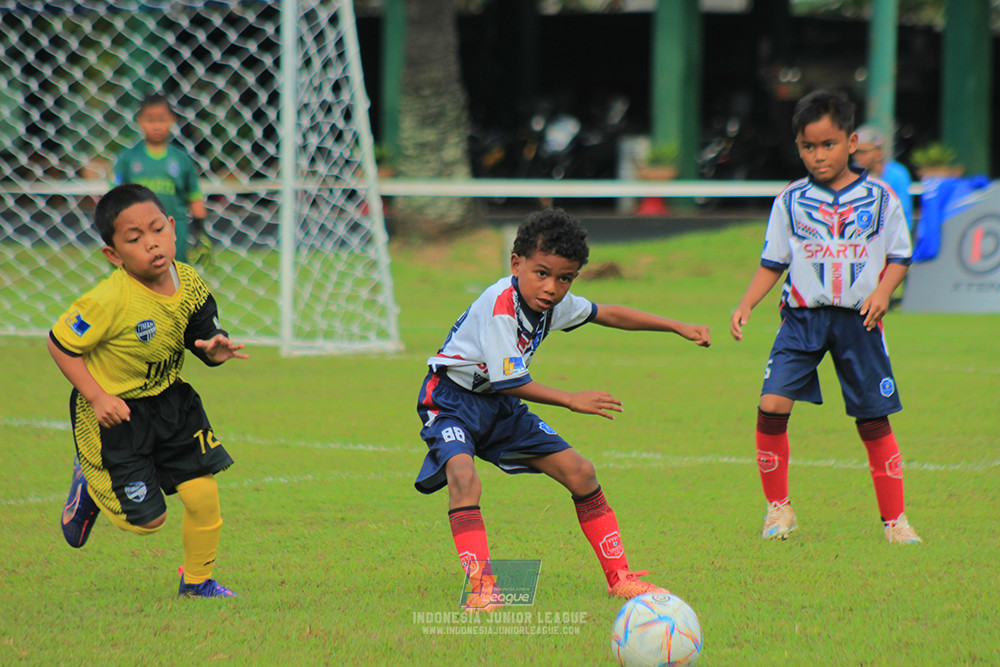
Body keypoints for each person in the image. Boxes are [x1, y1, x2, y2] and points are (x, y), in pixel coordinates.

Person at [414, 208, 712, 611]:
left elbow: (606, 313)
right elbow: (509, 380)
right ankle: (483, 587)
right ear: (516, 264)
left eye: (565, 278)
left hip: (500, 406)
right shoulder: (501, 305)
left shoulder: (552, 303)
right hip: (450, 401)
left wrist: (676, 325)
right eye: (542, 273)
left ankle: (619, 578)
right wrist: (572, 399)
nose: (552, 287)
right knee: (464, 477)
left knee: (581, 471)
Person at [729, 90, 921, 545]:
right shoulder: (790, 200)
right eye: (808, 147)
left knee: (873, 419)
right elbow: (773, 262)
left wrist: (882, 292)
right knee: (771, 405)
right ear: (798, 147)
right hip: (801, 320)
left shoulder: (879, 197)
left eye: (828, 144)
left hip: (860, 322)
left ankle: (895, 521)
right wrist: (746, 303)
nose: (818, 156)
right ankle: (778, 510)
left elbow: (900, 255)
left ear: (851, 141)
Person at [51, 184, 248, 597]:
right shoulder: (108, 300)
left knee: (203, 495)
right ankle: (89, 479)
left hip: (172, 403)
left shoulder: (189, 281)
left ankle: (197, 583)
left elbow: (203, 334)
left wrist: (215, 347)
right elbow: (60, 343)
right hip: (117, 415)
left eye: (157, 229)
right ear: (114, 254)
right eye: (134, 238)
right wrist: (98, 397)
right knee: (146, 522)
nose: (151, 243)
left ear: (173, 228)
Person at [113, 94, 209, 265]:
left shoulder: (181, 159)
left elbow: (194, 197)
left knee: (177, 280)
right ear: (139, 120)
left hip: (175, 229)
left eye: (162, 120)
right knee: (141, 281)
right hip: (138, 230)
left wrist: (201, 233)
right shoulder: (127, 160)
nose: (156, 126)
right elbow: (114, 199)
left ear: (172, 120)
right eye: (150, 120)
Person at [852, 124, 915, 235]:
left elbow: (903, 213)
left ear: (878, 153)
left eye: (863, 152)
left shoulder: (898, 174)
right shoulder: (851, 173)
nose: (858, 157)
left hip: (891, 236)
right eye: (856, 152)